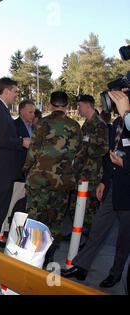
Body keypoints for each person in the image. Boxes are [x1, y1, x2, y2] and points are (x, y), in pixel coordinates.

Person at [62, 112, 130, 288]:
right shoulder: (119, 122)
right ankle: (81, 266)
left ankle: (115, 273)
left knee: (124, 239)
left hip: (128, 191)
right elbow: (111, 154)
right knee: (97, 229)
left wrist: (126, 164)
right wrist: (104, 181)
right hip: (113, 187)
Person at [24, 91, 81, 261]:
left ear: (50, 105)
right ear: (67, 106)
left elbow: (33, 151)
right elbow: (77, 152)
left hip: (39, 179)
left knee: (35, 217)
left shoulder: (42, 123)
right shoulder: (75, 126)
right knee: (56, 220)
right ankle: (49, 255)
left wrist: (26, 169)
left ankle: (32, 255)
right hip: (62, 181)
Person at [0, 77, 30, 249]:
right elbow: (1, 140)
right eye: (15, 91)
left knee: (1, 208)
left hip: (3, 169)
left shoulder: (1, 109)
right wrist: (21, 142)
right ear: (7, 90)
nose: (16, 95)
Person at [71, 95, 109, 231]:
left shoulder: (100, 125)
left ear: (88, 106)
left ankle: (89, 239)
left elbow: (104, 148)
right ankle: (78, 233)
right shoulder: (87, 123)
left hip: (92, 173)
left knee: (89, 209)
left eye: (79, 105)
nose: (78, 109)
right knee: (78, 206)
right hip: (82, 171)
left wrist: (86, 150)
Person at [14, 100, 36, 180]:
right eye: (30, 112)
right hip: (19, 172)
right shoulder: (13, 126)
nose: (33, 115)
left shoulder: (35, 127)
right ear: (22, 112)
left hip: (33, 172)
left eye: (34, 112)